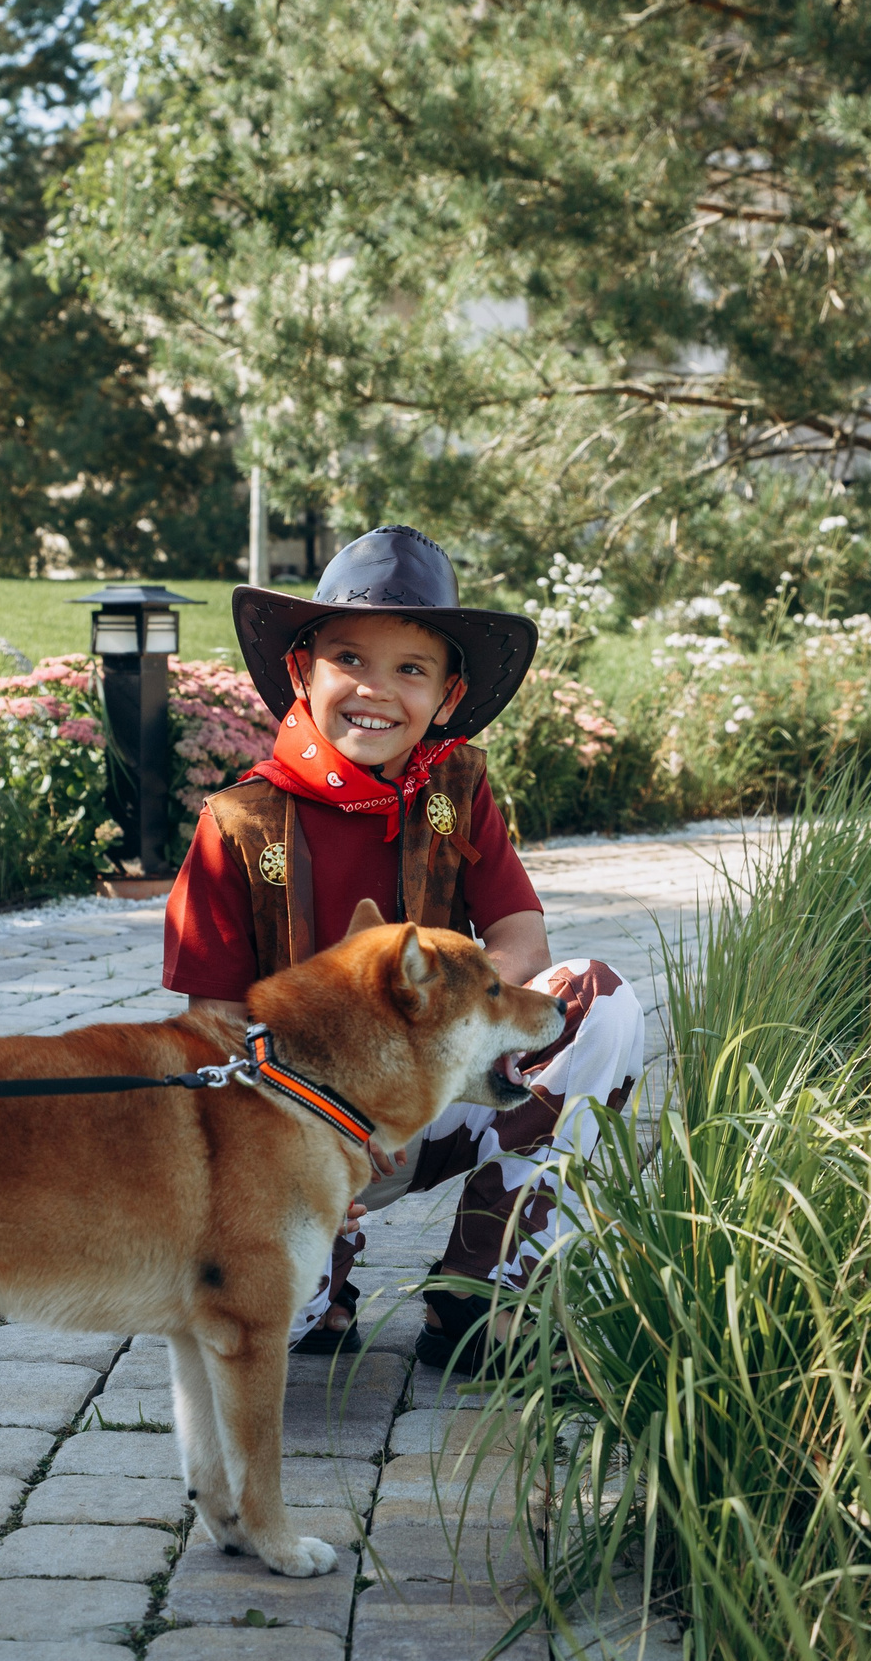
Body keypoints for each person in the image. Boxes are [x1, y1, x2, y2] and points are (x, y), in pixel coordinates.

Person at [161, 525, 646, 1373]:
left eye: (410, 669)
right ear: (301, 671)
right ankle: (324, 1283)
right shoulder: (237, 824)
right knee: (276, 1337)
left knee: (597, 1000)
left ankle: (482, 1289)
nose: (374, 690)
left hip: (429, 1099)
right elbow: (210, 1025)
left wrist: (432, 1040)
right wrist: (298, 1145)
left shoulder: (458, 791)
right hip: (298, 1131)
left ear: (448, 693)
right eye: (349, 658)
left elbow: (522, 934)